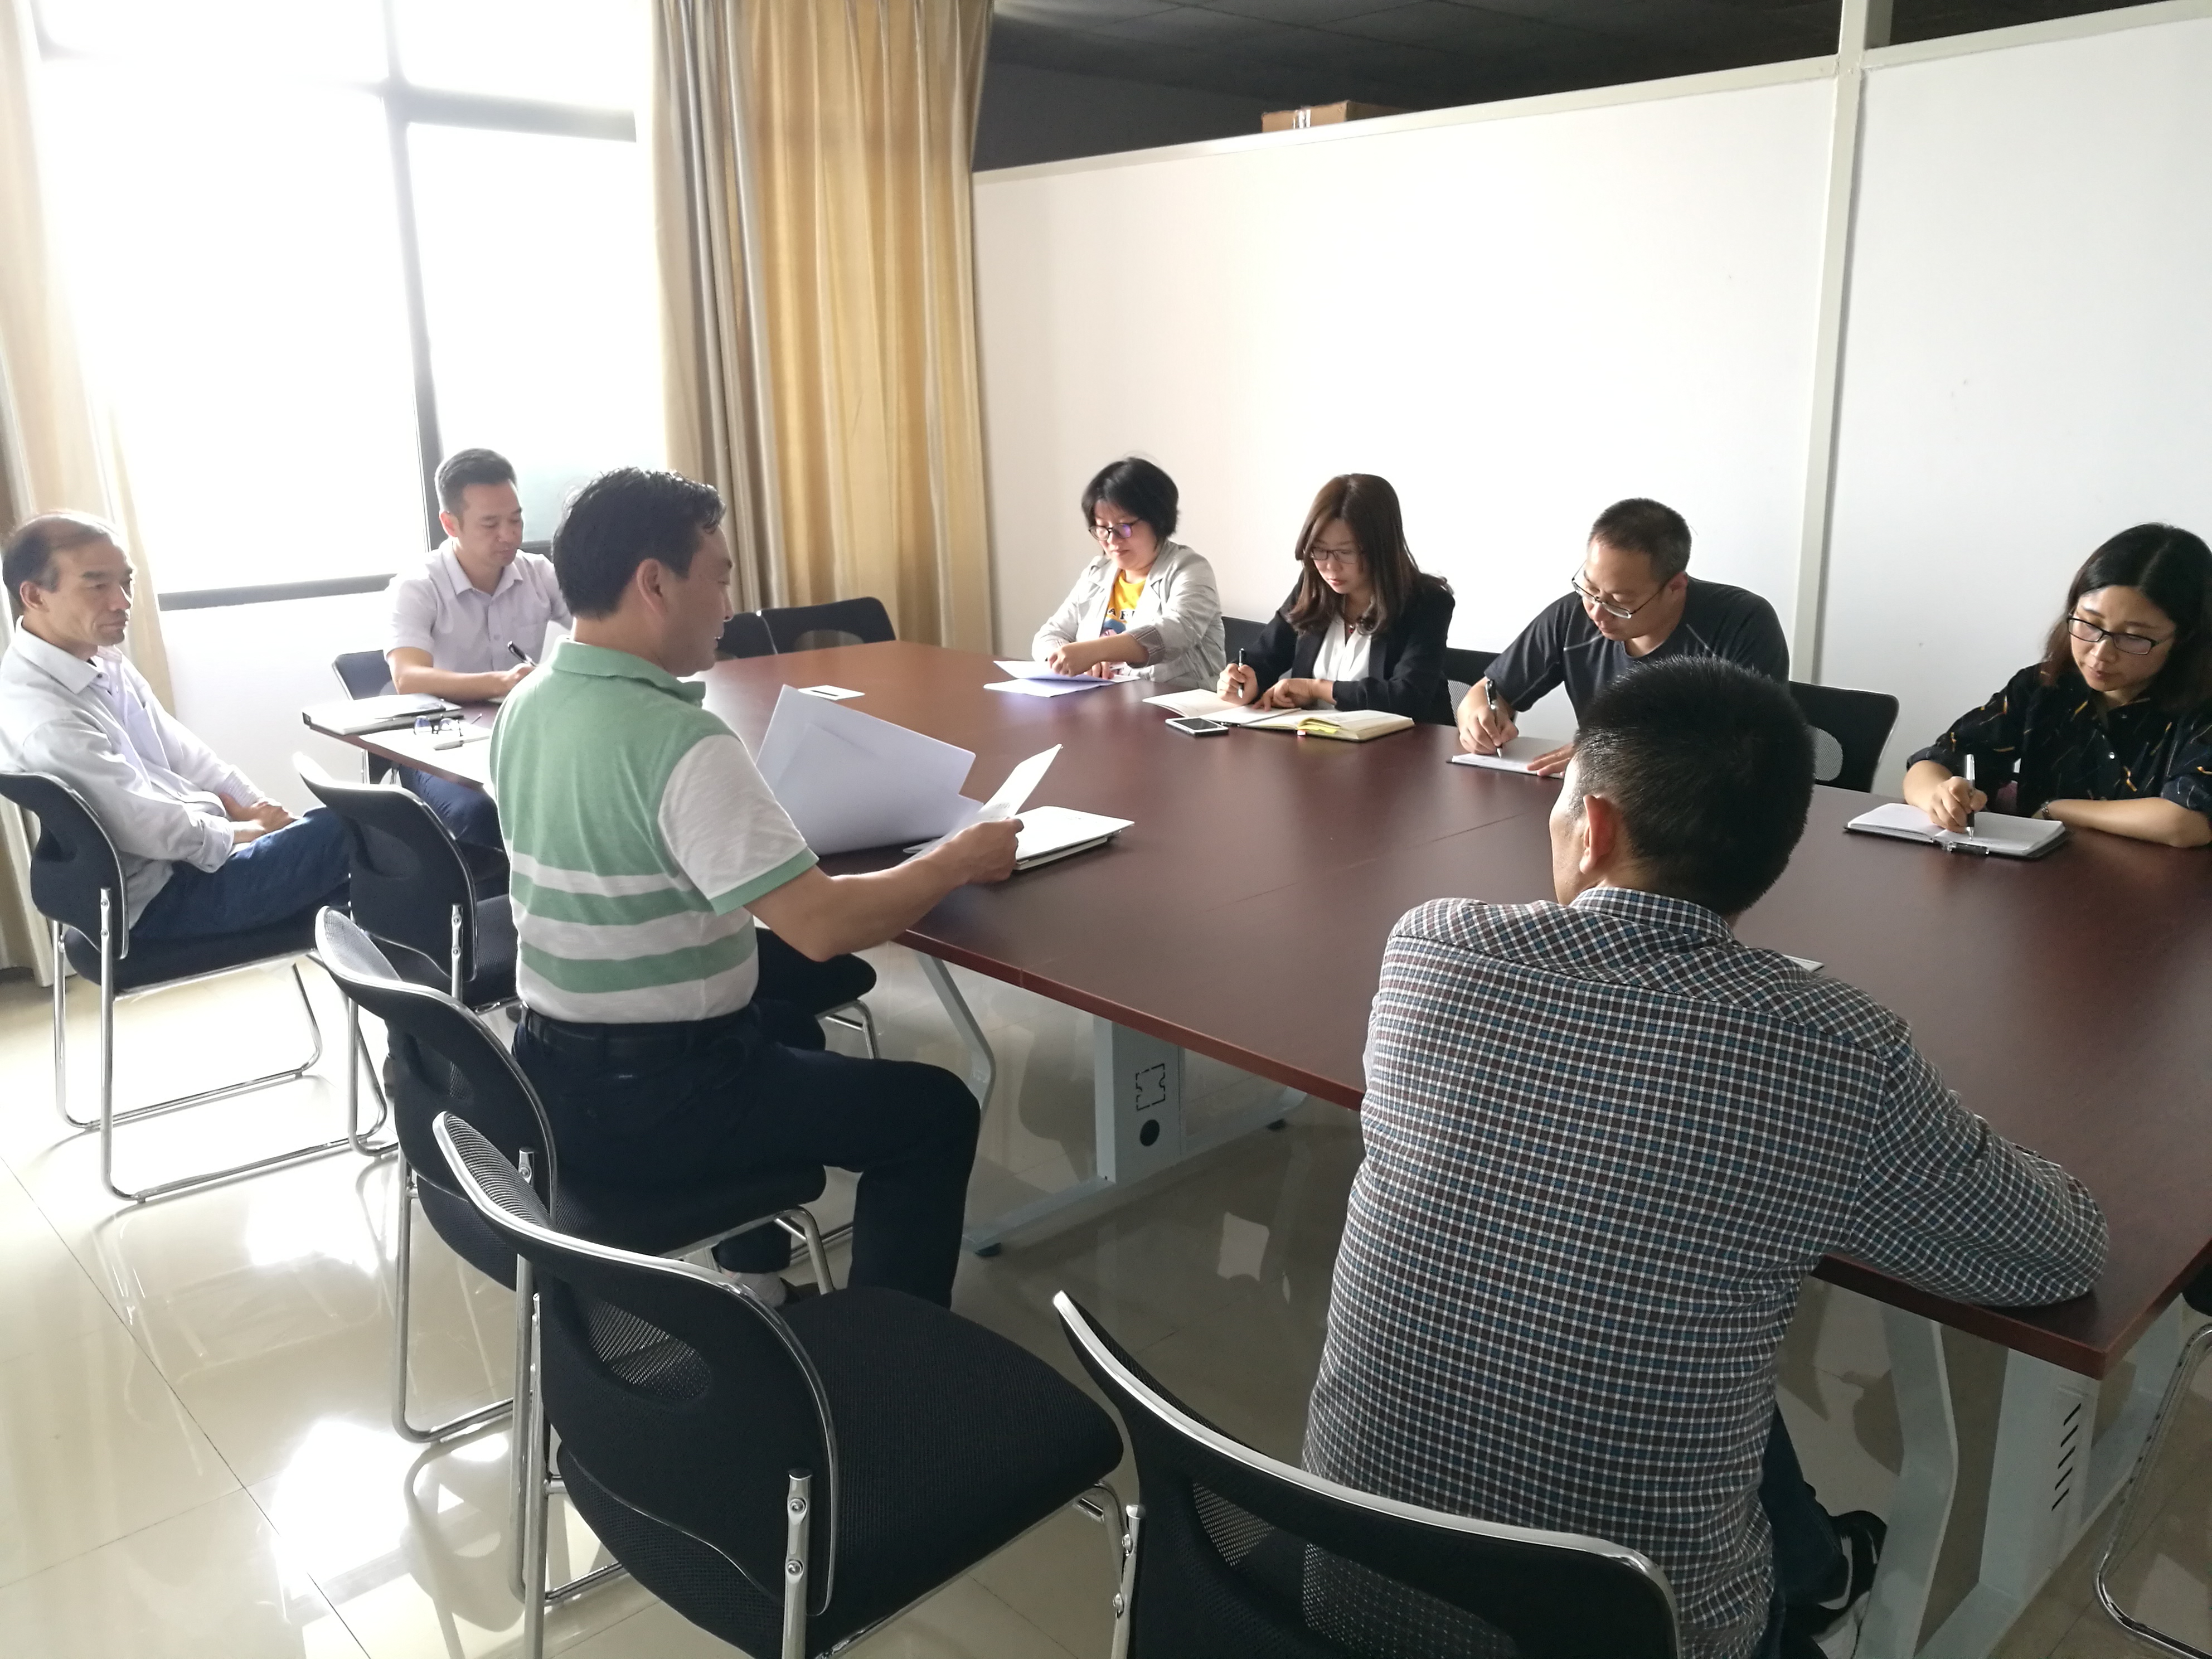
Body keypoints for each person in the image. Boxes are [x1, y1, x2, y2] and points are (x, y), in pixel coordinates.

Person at [1306, 658, 2105, 1659]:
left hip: (1343, 1590)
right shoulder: (1835, 1048)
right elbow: (2059, 1253)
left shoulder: (1432, 949)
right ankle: (1821, 1578)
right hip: (1643, 1635)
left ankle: (1811, 1563)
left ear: (1594, 828)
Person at [491, 467, 1016, 1308]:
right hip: (659, 1101)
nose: (730, 606)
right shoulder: (680, 741)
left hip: (549, 1072)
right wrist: (956, 859)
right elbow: (822, 927)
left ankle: (758, 1276)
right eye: (721, 577)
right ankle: (889, 1356)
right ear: (655, 583)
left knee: (786, 1019)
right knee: (935, 1111)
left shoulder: (529, 704)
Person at [0, 513, 348, 939]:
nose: (122, 602)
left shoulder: (101, 660)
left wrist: (262, 810)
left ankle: (383, 959)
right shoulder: (45, 712)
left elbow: (189, 757)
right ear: (35, 595)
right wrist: (249, 831)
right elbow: (146, 829)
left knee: (356, 839)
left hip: (189, 863)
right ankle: (391, 965)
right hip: (162, 899)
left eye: (126, 582)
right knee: (363, 830)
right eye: (97, 586)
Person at [1903, 523, 2212, 849]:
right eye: (2089, 624)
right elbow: (1935, 761)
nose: (2100, 654)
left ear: (2185, 640)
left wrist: (2058, 810)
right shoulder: (2044, 687)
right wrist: (1940, 796)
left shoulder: (2202, 711)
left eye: (2133, 637)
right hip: (2040, 876)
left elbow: (2187, 822)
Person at [1457, 497, 1788, 775]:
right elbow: (1490, 691)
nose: (1597, 613)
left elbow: (1750, 749)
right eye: (1589, 587)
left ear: (1675, 587)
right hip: (1596, 802)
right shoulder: (1573, 616)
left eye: (1620, 603)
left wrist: (1609, 755)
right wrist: (1477, 715)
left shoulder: (1741, 624)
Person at [384, 448, 570, 852]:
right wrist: (503, 682)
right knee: (484, 814)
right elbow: (407, 678)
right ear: (450, 523)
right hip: (439, 746)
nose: (509, 535)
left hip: (522, 735)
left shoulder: (540, 574)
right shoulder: (417, 586)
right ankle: (489, 894)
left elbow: (599, 626)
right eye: (490, 524)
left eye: (515, 519)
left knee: (580, 790)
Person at [1217, 473, 1455, 725]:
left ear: (1382, 548)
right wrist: (1244, 682)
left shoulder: (1427, 603)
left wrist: (1317, 689)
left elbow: (1408, 698)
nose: (1330, 567)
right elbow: (1265, 657)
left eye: (1346, 552)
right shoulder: (1313, 588)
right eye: (1319, 550)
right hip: (1314, 743)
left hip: (1405, 747)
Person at [1031, 457, 1223, 686]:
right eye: (1102, 528)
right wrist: (1064, 657)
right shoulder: (1098, 573)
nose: (1112, 540)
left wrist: (1094, 651)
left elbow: (1175, 632)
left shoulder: (1190, 569)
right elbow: (1049, 635)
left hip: (1175, 701)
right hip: (1105, 702)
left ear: (1158, 520)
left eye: (1123, 527)